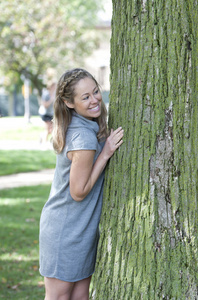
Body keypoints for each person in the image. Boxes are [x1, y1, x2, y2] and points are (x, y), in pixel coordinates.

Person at [39, 68, 124, 299]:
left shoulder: (87, 124)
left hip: (81, 230)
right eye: (85, 97)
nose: (95, 99)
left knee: (79, 296)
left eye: (95, 91)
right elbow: (78, 192)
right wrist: (105, 153)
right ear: (69, 103)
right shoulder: (83, 137)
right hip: (65, 231)